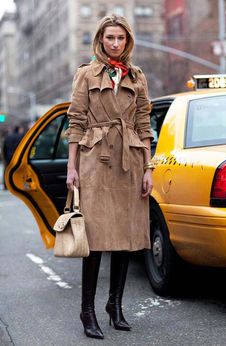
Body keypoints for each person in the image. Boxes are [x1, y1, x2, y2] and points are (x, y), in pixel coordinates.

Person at [66, 14, 154, 340]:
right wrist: (71, 168)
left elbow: (144, 124)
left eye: (120, 38)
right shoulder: (86, 75)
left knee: (125, 238)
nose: (115, 43)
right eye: (109, 38)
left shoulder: (137, 76)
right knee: (95, 239)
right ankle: (87, 310)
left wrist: (149, 168)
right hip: (95, 160)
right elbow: (75, 121)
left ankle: (114, 306)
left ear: (127, 41)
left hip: (129, 161)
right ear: (100, 40)